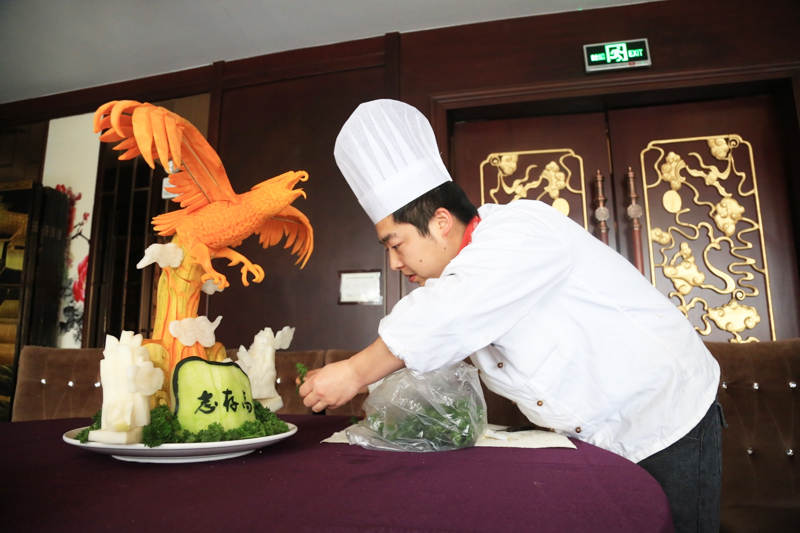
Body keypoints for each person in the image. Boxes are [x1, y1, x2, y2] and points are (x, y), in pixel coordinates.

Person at [299, 98, 723, 532]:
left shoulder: (520, 229)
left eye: (396, 244)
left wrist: (355, 372)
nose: (393, 262)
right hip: (598, 438)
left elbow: (448, 312)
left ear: (441, 222)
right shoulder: (464, 271)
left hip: (668, 419)